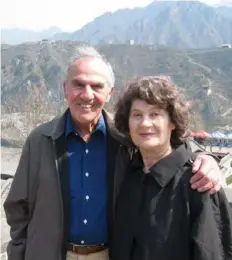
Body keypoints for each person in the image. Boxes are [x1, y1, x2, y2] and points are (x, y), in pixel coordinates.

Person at [4, 47, 223, 260]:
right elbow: (18, 208)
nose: (87, 95)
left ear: (109, 93)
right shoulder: (40, 140)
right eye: (78, 84)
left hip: (108, 254)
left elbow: (164, 144)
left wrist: (206, 159)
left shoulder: (125, 139)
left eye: (97, 86)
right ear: (65, 89)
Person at [112, 76, 232, 260]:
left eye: (155, 114)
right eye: (137, 115)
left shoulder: (198, 182)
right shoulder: (128, 174)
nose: (145, 123)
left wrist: (207, 158)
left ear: (172, 122)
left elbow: (211, 253)